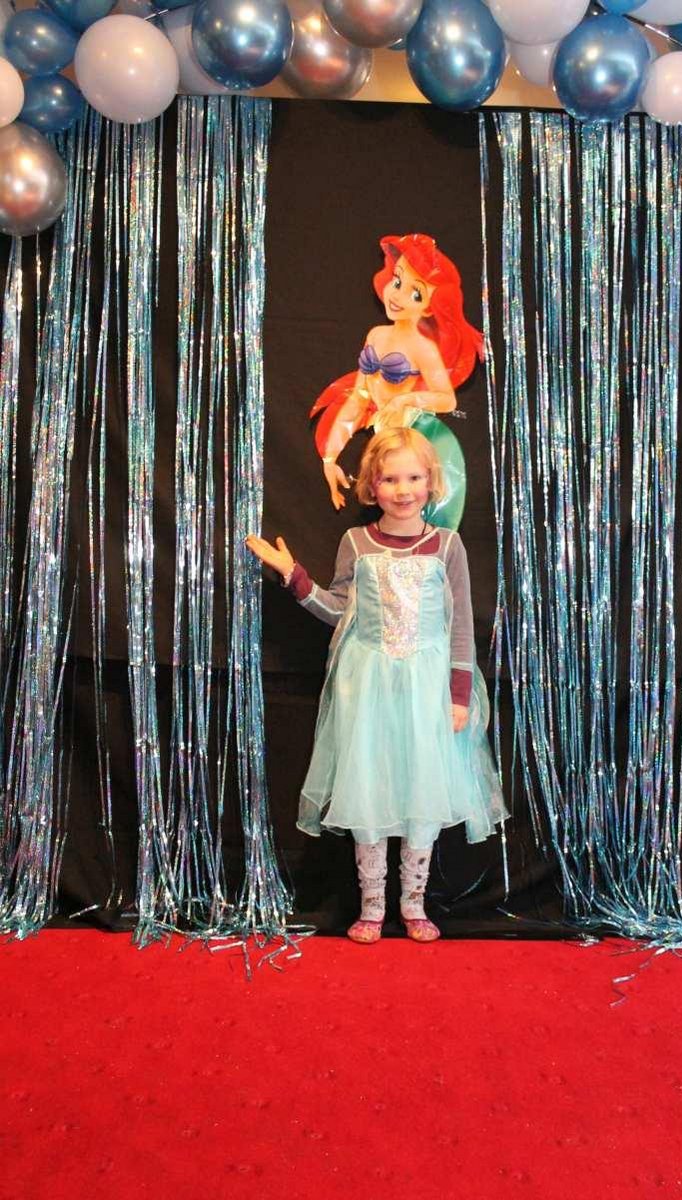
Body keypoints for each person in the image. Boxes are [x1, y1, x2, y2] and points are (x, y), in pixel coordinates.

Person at [245, 428, 506, 944]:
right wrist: (294, 576)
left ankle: (413, 902)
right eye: (390, 479)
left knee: (423, 792)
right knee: (367, 791)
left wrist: (457, 695)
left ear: (431, 482)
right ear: (371, 486)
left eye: (413, 478)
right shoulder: (356, 543)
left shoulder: (447, 546)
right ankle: (371, 904)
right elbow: (340, 610)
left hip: (427, 690)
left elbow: (459, 626)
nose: (402, 489)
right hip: (366, 688)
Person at [310, 233, 483, 530]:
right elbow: (359, 397)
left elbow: (447, 399)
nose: (398, 295)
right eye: (398, 281)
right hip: (386, 438)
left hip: (419, 438)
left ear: (429, 306)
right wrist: (330, 457)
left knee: (429, 526)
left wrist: (405, 399)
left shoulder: (423, 348)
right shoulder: (376, 335)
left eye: (416, 294)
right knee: (388, 515)